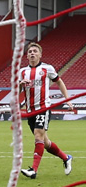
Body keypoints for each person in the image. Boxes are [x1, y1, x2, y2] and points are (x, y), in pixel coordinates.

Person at [18, 42, 73, 179]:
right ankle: (66, 158)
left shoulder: (47, 69)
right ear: (27, 55)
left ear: (40, 55)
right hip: (30, 111)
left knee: (38, 135)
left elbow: (59, 82)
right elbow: (16, 91)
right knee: (45, 142)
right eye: (30, 51)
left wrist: (67, 99)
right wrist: (20, 85)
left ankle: (34, 170)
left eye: (35, 51)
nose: (32, 53)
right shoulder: (22, 72)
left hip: (43, 108)